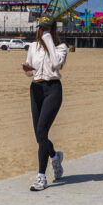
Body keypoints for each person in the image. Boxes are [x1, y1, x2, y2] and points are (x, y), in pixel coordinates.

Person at [21, 20, 68, 191]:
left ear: (52, 30)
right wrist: (27, 70)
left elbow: (56, 64)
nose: (42, 32)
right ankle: (55, 157)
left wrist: (48, 39)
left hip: (53, 90)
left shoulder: (61, 48)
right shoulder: (33, 46)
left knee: (42, 131)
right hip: (36, 89)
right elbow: (31, 71)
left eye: (46, 29)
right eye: (41, 28)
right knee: (39, 136)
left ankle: (41, 177)